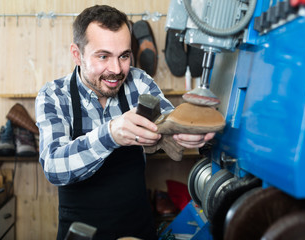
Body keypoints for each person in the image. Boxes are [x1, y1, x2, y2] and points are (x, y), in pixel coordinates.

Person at [35, 5, 215, 240]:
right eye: (103, 56)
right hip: (81, 232)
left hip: (136, 227)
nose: (117, 69)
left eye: (124, 56)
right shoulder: (54, 95)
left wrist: (186, 134)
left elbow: (171, 123)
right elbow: (53, 167)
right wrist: (109, 134)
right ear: (77, 54)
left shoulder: (139, 82)